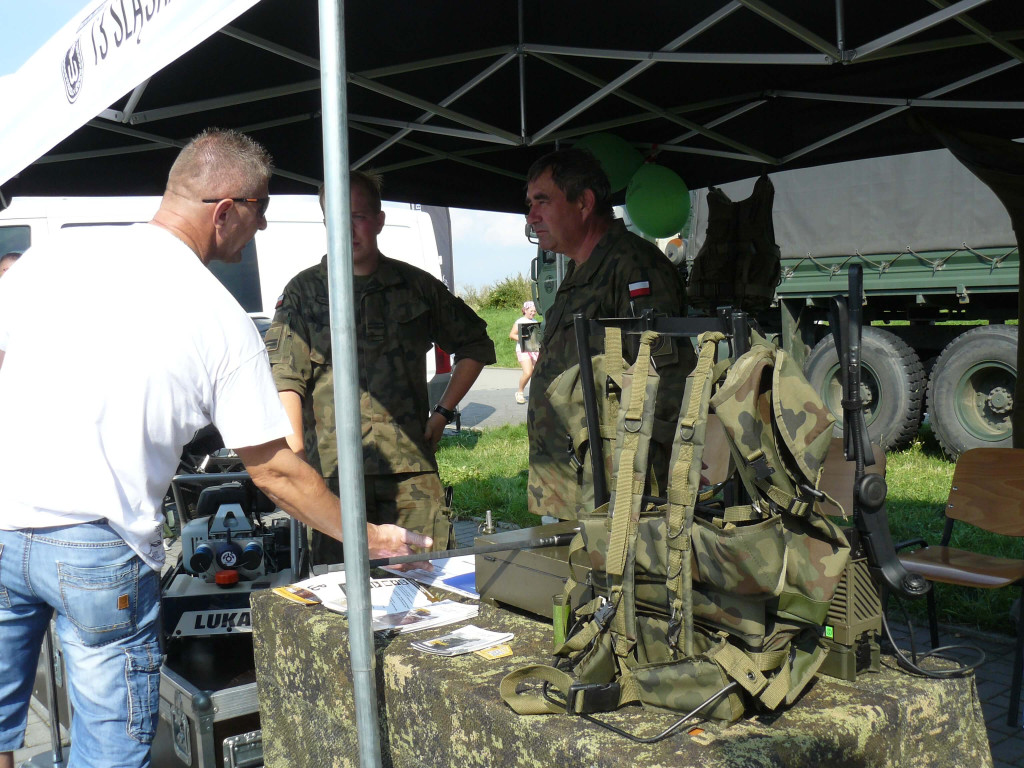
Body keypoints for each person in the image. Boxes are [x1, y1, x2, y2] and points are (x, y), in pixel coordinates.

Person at [0, 130, 429, 768]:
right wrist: (366, 535)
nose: (257, 230)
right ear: (224, 209)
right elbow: (275, 469)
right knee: (109, 755)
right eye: (259, 212)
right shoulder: (219, 316)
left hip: (4, 520)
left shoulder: (51, 255)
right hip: (98, 546)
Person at [265, 171, 496, 566]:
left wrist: (441, 414)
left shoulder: (416, 287)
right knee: (338, 594)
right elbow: (286, 377)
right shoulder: (304, 294)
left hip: (410, 476)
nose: (347, 228)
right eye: (335, 217)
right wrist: (298, 464)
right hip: (333, 479)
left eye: (357, 216)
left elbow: (476, 344)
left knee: (429, 583)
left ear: (379, 220)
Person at [524, 148, 695, 521]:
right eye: (530, 204)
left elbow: (666, 385)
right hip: (569, 483)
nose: (531, 217)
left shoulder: (634, 268)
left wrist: (633, 486)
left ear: (583, 203)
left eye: (542, 202)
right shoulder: (581, 269)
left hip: (609, 491)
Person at [509, 300, 540, 404]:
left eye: (534, 311)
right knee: (528, 372)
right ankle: (520, 392)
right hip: (523, 349)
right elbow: (512, 335)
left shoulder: (535, 322)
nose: (533, 313)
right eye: (531, 311)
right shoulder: (520, 321)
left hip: (534, 349)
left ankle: (536, 393)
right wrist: (522, 337)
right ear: (525, 310)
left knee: (537, 372)